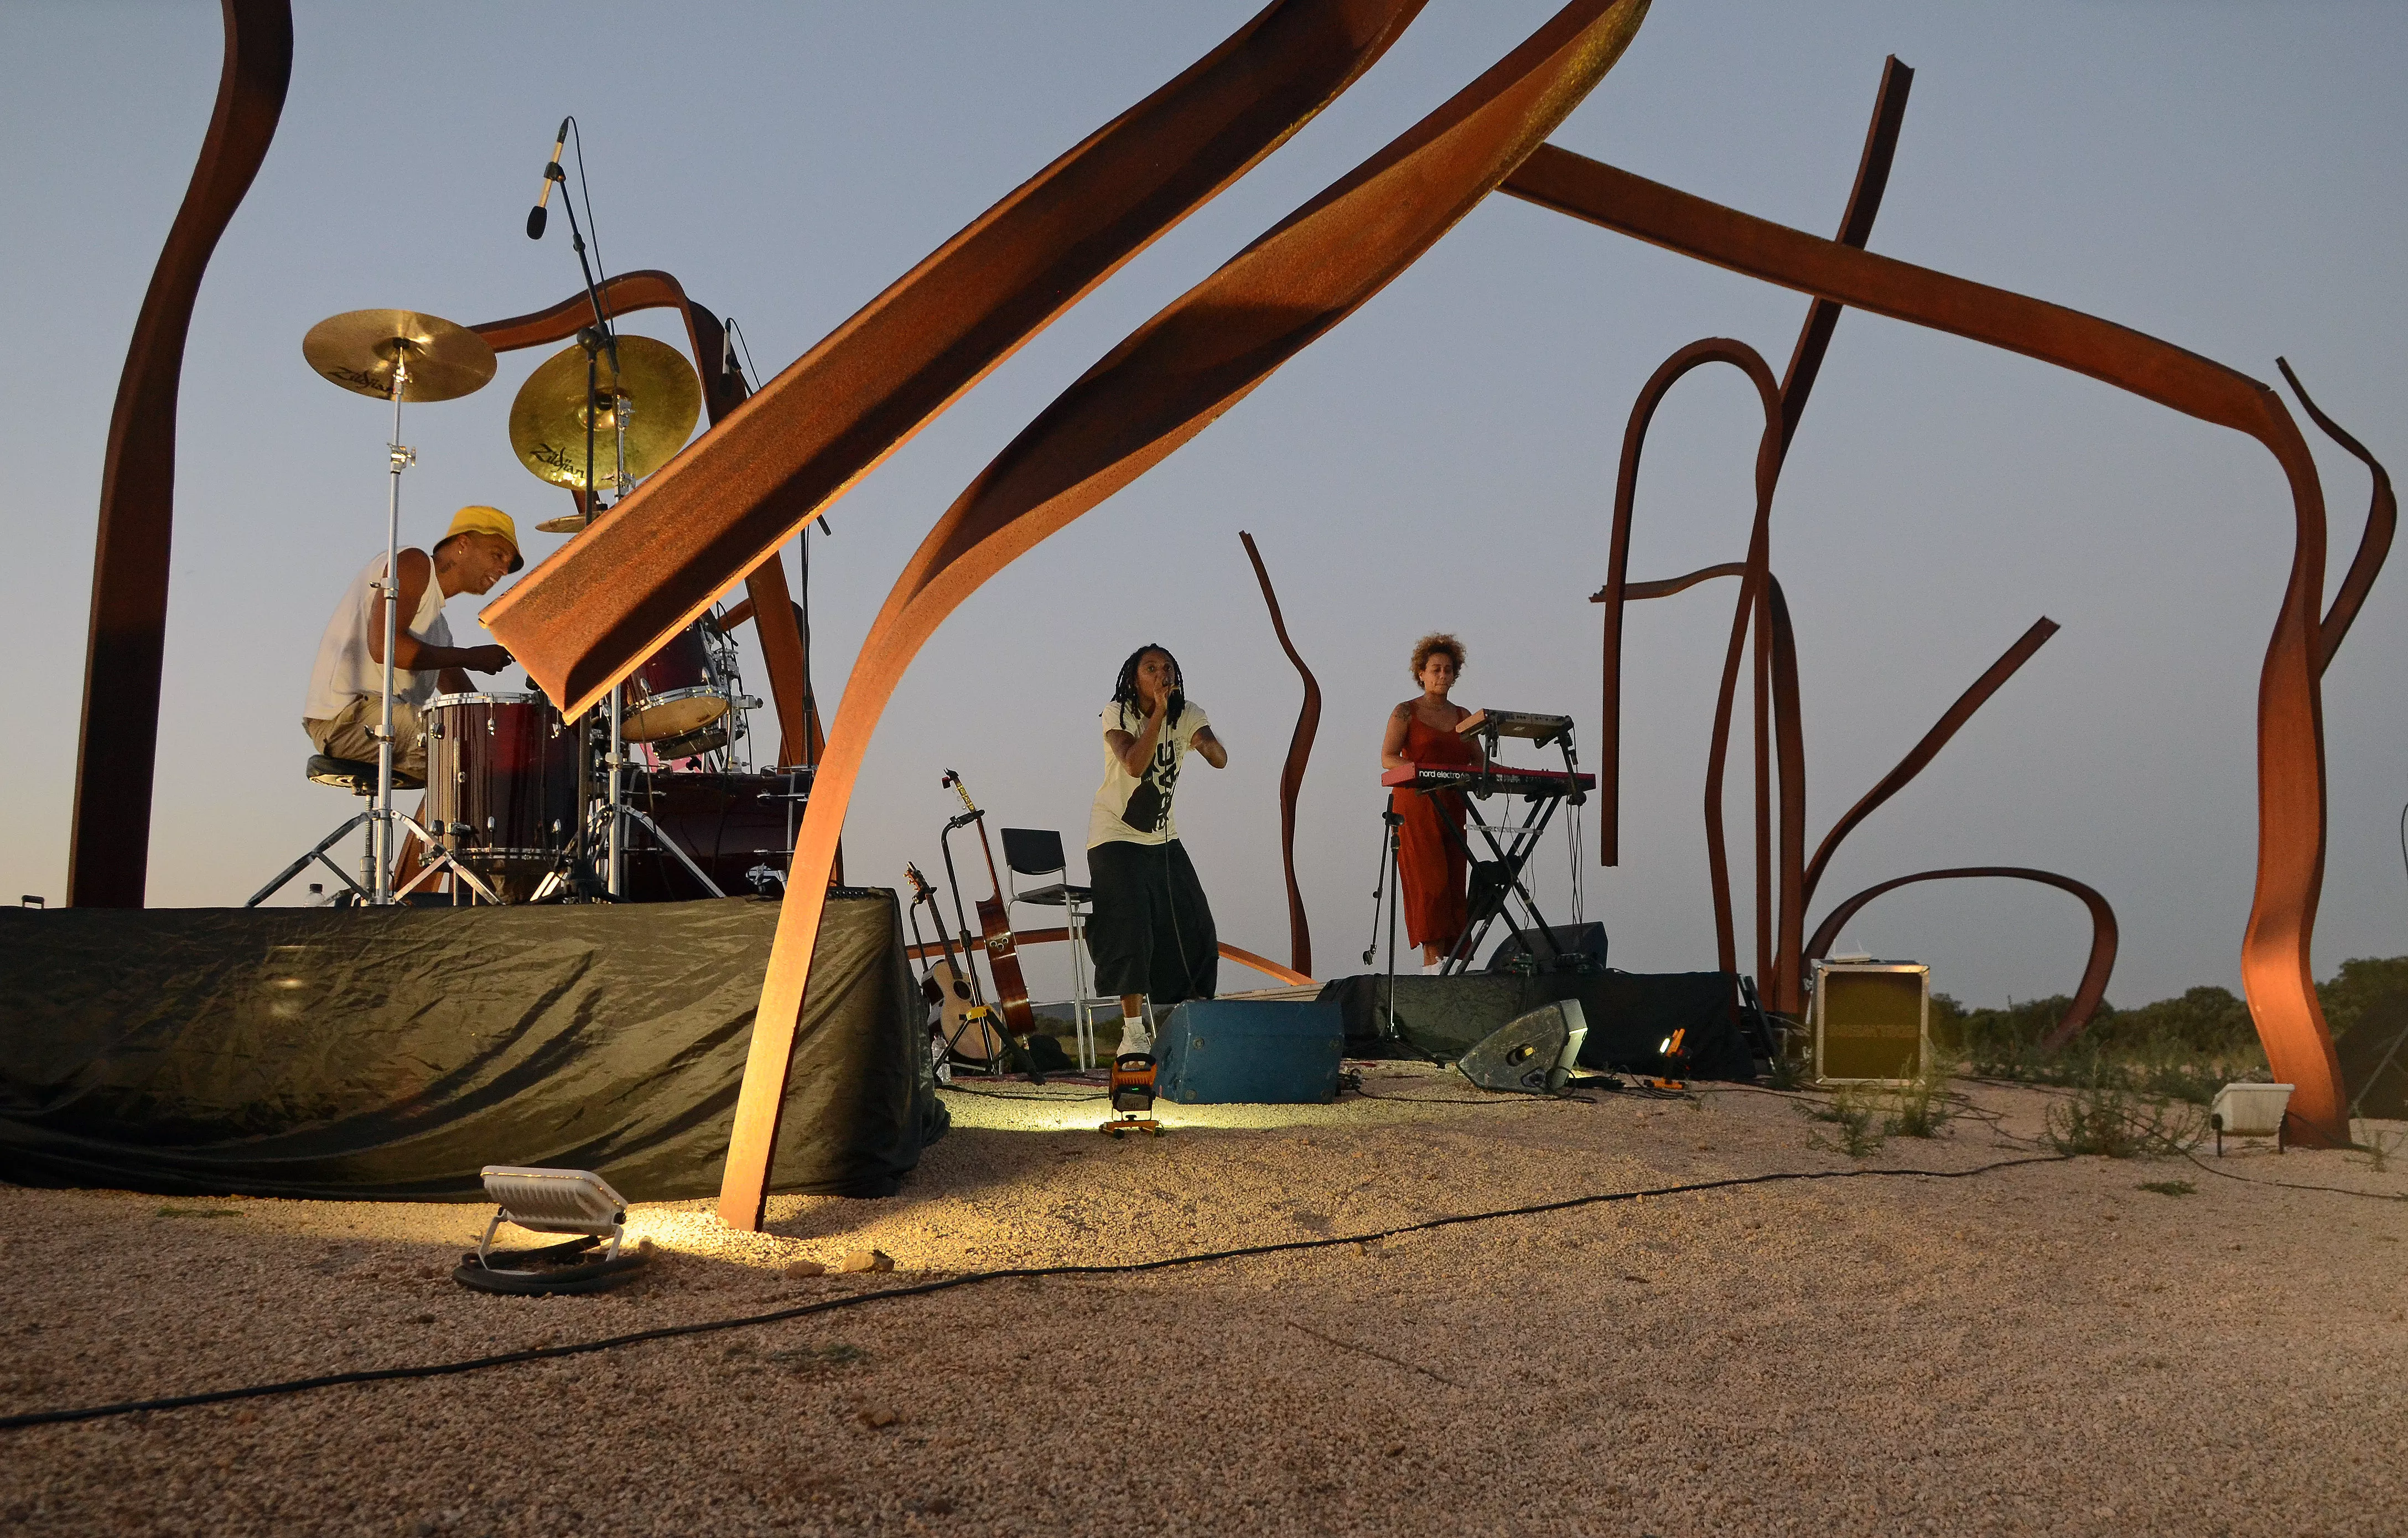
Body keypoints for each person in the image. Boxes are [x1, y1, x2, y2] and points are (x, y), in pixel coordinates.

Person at [301, 505, 521, 780]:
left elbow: (466, 704)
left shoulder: (438, 630)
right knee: (466, 747)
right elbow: (386, 648)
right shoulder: (413, 563)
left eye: (508, 566)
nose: (502, 570)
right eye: (497, 555)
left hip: (385, 720)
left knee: (479, 753)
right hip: (347, 720)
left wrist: (516, 724)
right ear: (463, 544)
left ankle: (430, 826)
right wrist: (470, 657)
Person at [1085, 644, 1227, 1055]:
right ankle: (1133, 1033)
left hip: (1163, 839)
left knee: (1197, 926)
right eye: (1151, 668)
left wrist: (1204, 742)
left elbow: (1218, 756)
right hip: (1114, 836)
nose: (1160, 673)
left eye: (1166, 668)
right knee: (1130, 928)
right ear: (1135, 678)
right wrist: (1159, 716)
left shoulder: (1188, 713)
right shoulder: (1119, 713)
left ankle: (1196, 1024)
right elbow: (1133, 763)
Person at [1379, 631, 1480, 971]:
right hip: (1418, 805)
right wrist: (1419, 770)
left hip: (1453, 805)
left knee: (1455, 882)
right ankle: (1433, 967)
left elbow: (1478, 761)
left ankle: (1460, 966)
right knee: (1430, 883)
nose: (1442, 676)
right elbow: (1388, 757)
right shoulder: (1405, 712)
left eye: (1448, 670)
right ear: (1421, 673)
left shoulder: (1463, 714)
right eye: (1435, 669)